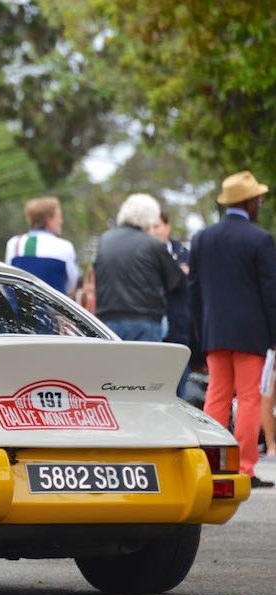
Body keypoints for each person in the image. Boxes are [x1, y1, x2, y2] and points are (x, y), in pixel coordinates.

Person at [189, 170, 276, 487]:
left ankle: (212, 464)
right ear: (250, 202)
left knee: (217, 396)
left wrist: (201, 334)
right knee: (250, 398)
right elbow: (270, 294)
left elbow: (194, 292)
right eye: (259, 199)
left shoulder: (202, 238)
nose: (260, 203)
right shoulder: (260, 239)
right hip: (251, 334)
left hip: (215, 332)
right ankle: (244, 468)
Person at [94, 193, 183, 341]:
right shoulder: (153, 244)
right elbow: (176, 282)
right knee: (147, 364)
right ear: (149, 217)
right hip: (145, 320)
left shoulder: (105, 240)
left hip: (107, 319)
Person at [149, 211, 192, 397]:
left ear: (167, 227)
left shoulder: (184, 252)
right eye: (149, 227)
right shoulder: (144, 254)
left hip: (178, 324)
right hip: (153, 324)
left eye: (156, 226)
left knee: (180, 379)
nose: (153, 231)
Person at [5, 196, 79, 296]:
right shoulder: (65, 246)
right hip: (54, 309)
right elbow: (71, 284)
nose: (61, 221)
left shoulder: (14, 243)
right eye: (59, 217)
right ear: (49, 219)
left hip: (18, 309)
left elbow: (7, 280)